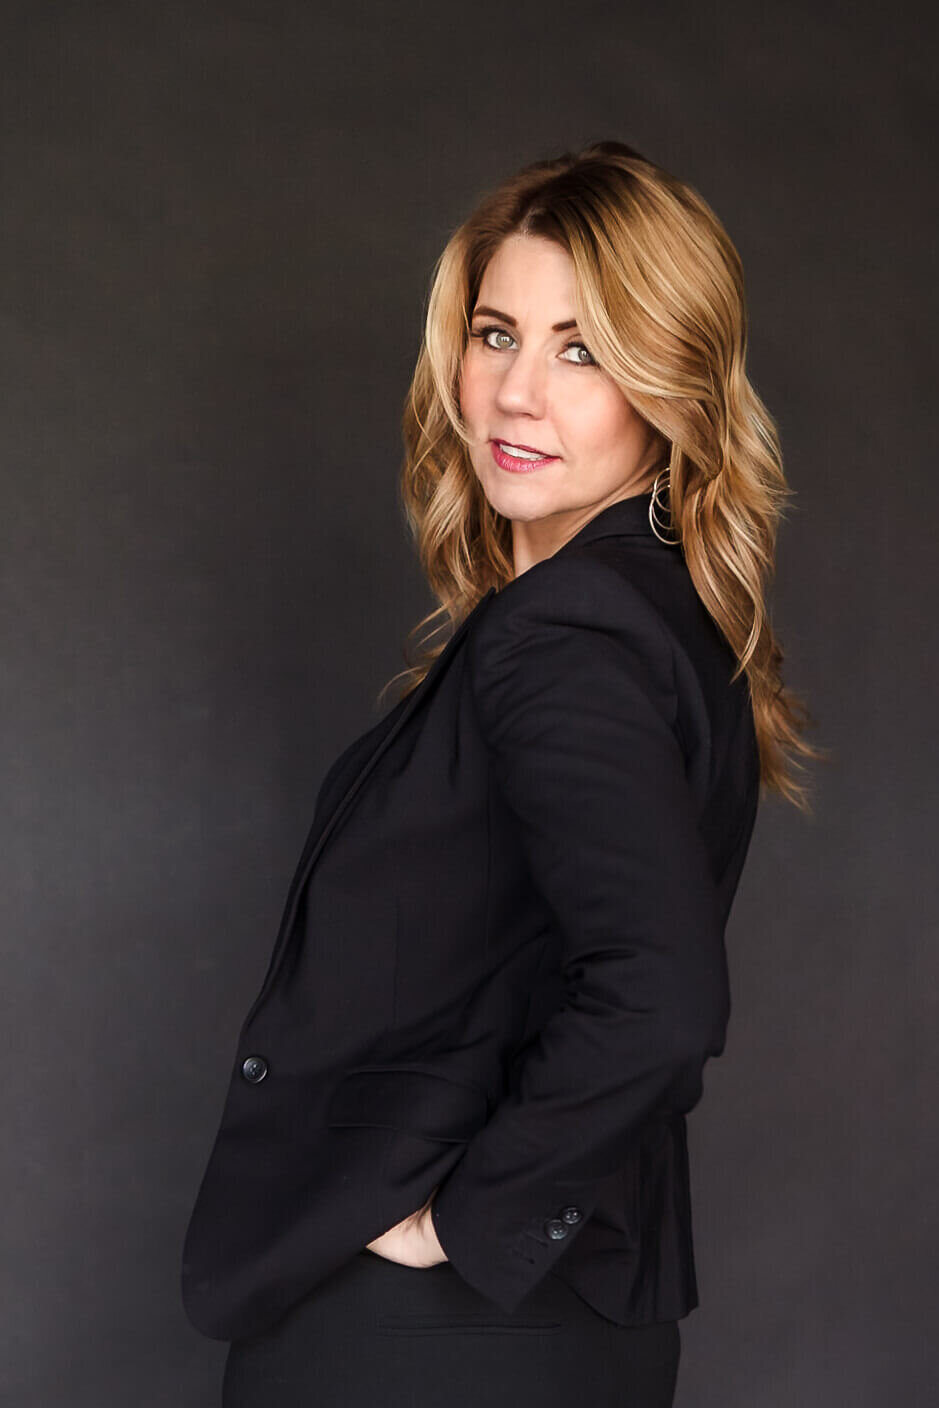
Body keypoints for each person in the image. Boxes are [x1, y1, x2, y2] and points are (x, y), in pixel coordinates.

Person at [181, 139, 818, 1407]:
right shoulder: (661, 617)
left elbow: (661, 995)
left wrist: (464, 1220)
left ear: (671, 383)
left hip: (440, 1333)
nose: (517, 393)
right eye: (495, 333)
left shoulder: (567, 632)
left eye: (583, 350)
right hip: (542, 1326)